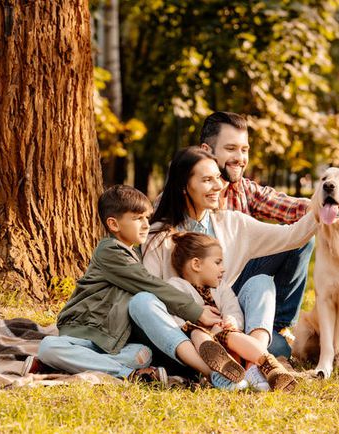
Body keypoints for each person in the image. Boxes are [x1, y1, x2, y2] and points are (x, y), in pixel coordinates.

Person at [128, 147, 317, 381]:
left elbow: (291, 237)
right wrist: (195, 315)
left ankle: (252, 365)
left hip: (228, 323)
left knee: (262, 285)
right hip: (185, 332)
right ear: (183, 186)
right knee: (143, 302)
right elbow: (155, 293)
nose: (218, 185)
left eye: (217, 177)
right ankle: (220, 366)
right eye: (207, 180)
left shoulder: (233, 223)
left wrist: (322, 208)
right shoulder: (158, 237)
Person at [34, 185, 239, 389]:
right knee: (48, 347)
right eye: (137, 218)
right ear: (113, 224)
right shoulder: (109, 251)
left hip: (116, 345)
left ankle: (76, 366)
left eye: (147, 218)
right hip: (87, 336)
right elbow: (149, 282)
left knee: (143, 354)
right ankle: (130, 374)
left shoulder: (136, 255)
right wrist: (196, 312)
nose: (145, 225)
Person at [199, 111, 316, 357]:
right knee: (277, 351)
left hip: (240, 282)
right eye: (231, 148)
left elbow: (289, 206)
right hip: (204, 296)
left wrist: (327, 206)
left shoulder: (243, 188)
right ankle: (252, 345)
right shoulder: (183, 195)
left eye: (244, 149)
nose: (240, 158)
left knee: (301, 239)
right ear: (207, 150)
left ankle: (277, 327)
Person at [168, 231, 297, 391]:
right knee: (200, 336)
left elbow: (233, 308)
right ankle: (235, 375)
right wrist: (202, 321)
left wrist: (231, 320)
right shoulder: (176, 286)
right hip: (199, 341)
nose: (223, 269)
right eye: (218, 263)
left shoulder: (221, 288)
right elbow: (175, 316)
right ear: (196, 264)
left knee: (233, 336)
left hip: (223, 334)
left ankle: (268, 365)